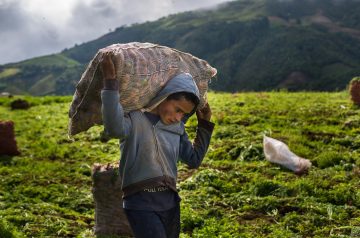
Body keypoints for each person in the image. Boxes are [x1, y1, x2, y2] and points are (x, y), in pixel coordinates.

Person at [100, 53, 214, 238]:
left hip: (170, 203)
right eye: (177, 109)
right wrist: (111, 83)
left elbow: (193, 160)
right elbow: (113, 128)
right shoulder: (135, 119)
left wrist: (204, 125)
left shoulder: (177, 128)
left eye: (183, 114)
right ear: (165, 97)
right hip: (140, 203)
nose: (178, 117)